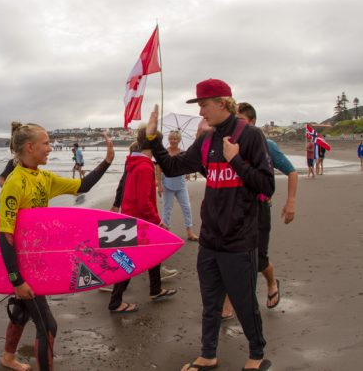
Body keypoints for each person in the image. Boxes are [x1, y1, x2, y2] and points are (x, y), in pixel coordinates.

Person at [145, 79, 274, 371]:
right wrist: (153, 139)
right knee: (210, 300)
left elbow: (266, 185)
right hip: (210, 237)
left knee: (243, 302)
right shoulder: (207, 140)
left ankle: (256, 354)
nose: (201, 112)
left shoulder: (251, 136)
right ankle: (208, 353)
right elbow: (174, 167)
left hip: (240, 239)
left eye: (203, 105)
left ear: (222, 102)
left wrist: (237, 161)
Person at [0, 122, 114, 371]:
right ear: (30, 147)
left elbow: (82, 186)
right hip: (22, 267)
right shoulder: (14, 184)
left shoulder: (43, 177)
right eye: (46, 143)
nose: (50, 148)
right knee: (47, 325)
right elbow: (5, 236)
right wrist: (17, 281)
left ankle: (8, 358)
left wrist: (106, 161)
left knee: (21, 313)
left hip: (37, 262)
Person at [221, 102, 299, 320]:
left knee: (260, 259)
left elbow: (292, 172)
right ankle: (228, 303)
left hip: (260, 207)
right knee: (232, 255)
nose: (236, 125)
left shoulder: (267, 143)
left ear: (252, 122)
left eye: (241, 121)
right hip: (236, 208)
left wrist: (290, 202)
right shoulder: (228, 144)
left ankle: (272, 281)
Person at [106, 128, 177, 313]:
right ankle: (115, 302)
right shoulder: (145, 167)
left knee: (153, 253)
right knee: (129, 262)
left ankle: (155, 289)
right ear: (154, 145)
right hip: (140, 220)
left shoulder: (135, 162)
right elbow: (143, 201)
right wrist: (158, 221)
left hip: (131, 217)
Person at [158, 130, 199, 242]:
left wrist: (189, 173)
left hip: (181, 185)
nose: (172, 140)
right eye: (171, 138)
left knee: (187, 207)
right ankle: (165, 232)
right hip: (167, 184)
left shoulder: (183, 153)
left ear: (179, 140)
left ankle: (190, 232)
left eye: (175, 138)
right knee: (167, 209)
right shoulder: (164, 153)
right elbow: (159, 169)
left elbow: (187, 165)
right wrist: (159, 185)